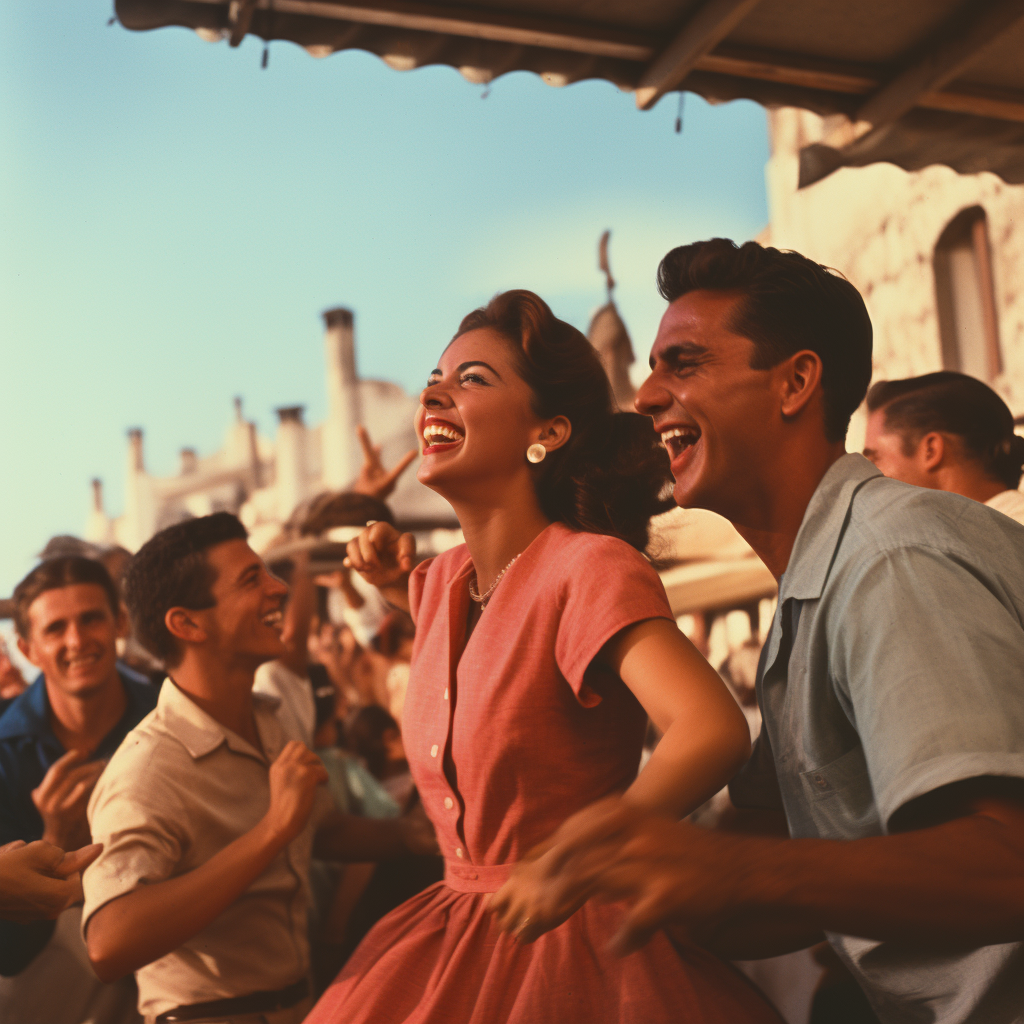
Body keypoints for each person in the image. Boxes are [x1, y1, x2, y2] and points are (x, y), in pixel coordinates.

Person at [492, 240, 1024, 1024]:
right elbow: (795, 871)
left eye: (684, 363)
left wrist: (733, 871)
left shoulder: (890, 560)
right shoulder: (811, 596)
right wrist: (612, 881)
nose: (644, 395)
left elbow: (1004, 866)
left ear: (796, 384)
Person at [305, 289, 782, 1024]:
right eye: (437, 375)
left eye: (472, 379)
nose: (436, 388)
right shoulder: (439, 583)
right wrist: (378, 572)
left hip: (572, 946)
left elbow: (712, 730)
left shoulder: (588, 568)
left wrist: (580, 857)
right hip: (454, 930)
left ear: (548, 430)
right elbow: (475, 627)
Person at [81, 513, 436, 1024]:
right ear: (187, 624)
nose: (277, 590)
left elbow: (320, 831)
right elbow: (109, 942)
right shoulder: (147, 770)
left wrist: (411, 836)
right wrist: (271, 831)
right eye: (252, 580)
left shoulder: (268, 716)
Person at [0, 555, 158, 1021]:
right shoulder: (4, 754)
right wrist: (54, 839)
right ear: (28, 649)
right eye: (55, 628)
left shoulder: (171, 716)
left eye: (91, 619)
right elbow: (10, 952)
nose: (77, 640)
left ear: (120, 622)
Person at [863, 370, 1024, 524]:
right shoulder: (974, 533)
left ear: (931, 450)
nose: (866, 477)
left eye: (874, 460)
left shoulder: (1001, 537)